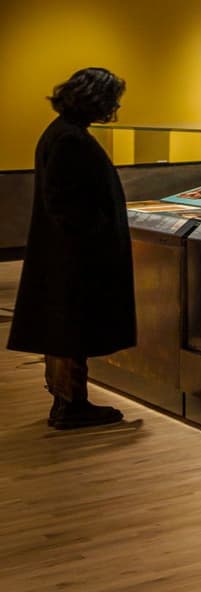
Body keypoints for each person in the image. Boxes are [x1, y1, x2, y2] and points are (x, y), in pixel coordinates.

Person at [7, 69, 134, 429]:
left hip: (66, 254)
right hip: (75, 256)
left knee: (65, 330)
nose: (115, 107)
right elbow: (66, 204)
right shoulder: (70, 139)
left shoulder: (63, 132)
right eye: (111, 100)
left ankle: (67, 400)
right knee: (72, 330)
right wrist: (97, 236)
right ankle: (71, 403)